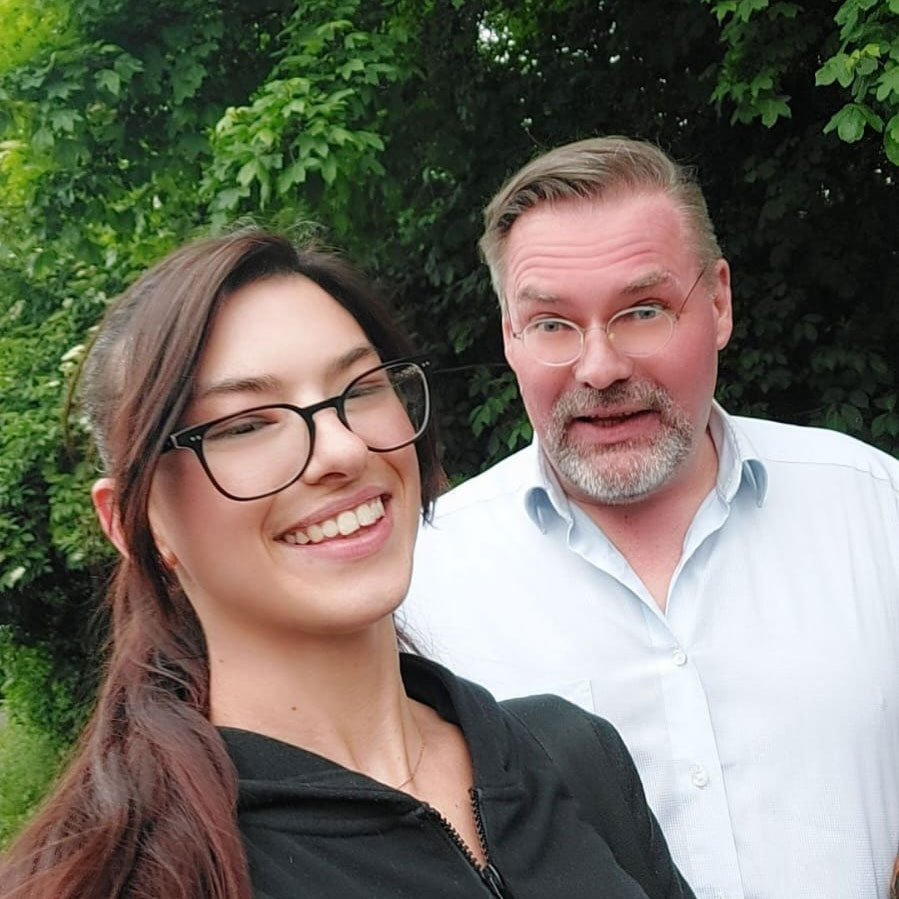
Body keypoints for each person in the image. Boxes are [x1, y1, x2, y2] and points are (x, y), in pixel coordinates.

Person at [0, 227, 695, 899]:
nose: (343, 449)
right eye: (246, 424)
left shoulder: (570, 756)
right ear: (134, 520)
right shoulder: (137, 878)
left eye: (361, 389)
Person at [403, 137, 899, 899]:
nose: (600, 367)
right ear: (508, 335)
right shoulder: (423, 582)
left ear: (718, 303)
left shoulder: (875, 509)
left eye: (641, 311)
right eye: (551, 323)